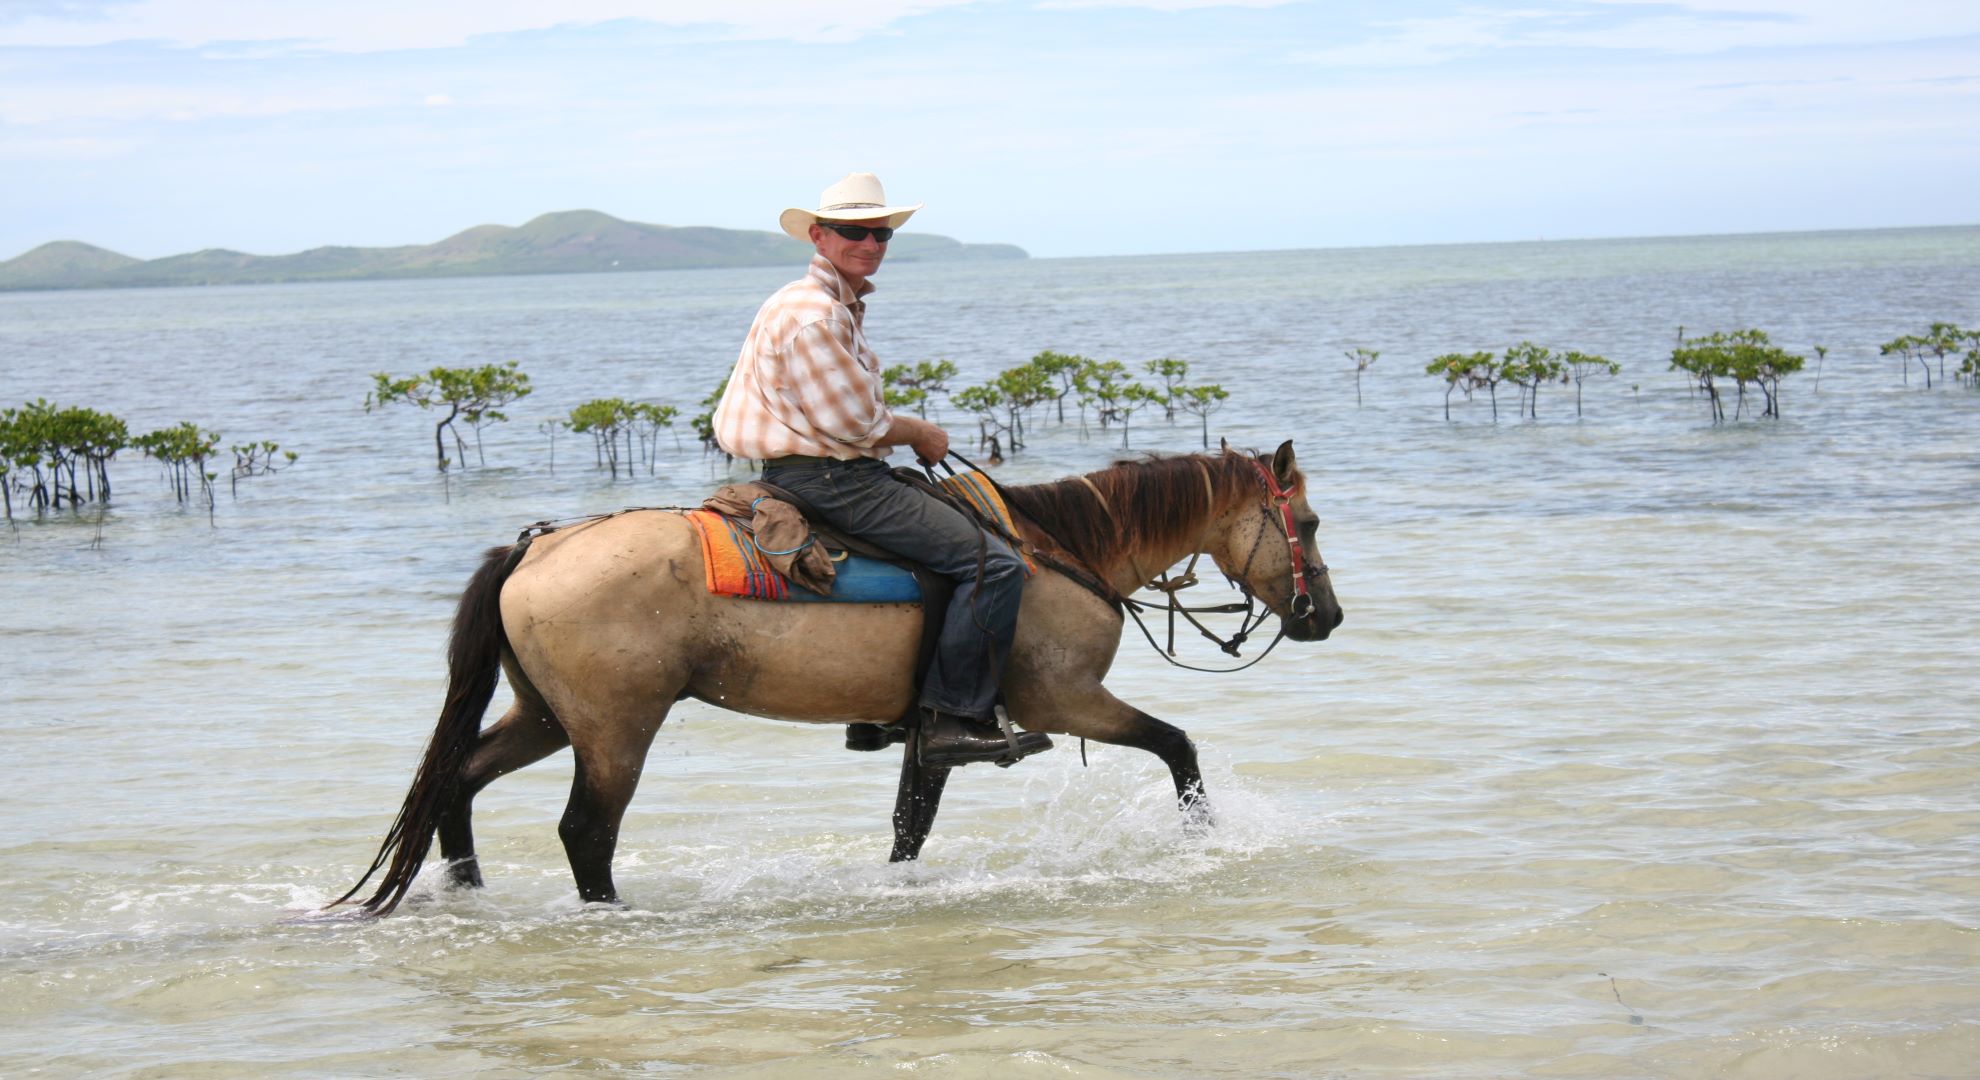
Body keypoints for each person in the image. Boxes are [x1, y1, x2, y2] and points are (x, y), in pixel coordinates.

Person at [711, 172, 1051, 768]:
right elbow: (855, 424)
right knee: (991, 564)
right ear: (819, 235)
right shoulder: (815, 315)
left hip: (800, 472)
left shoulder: (813, 302)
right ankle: (954, 719)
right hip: (836, 481)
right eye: (853, 231)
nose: (869, 244)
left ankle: (882, 713)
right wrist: (920, 431)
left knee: (944, 549)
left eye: (881, 234)